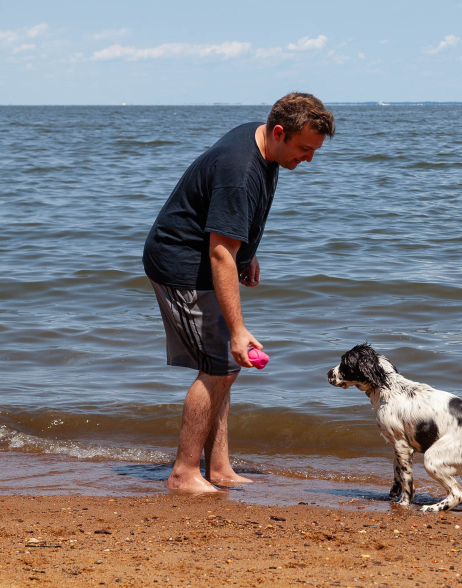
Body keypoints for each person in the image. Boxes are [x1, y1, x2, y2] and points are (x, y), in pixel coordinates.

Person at [142, 93, 335, 492]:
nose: (309, 159)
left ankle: (220, 468)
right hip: (181, 265)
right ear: (279, 132)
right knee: (219, 365)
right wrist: (238, 329)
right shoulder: (240, 169)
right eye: (304, 149)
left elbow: (228, 231)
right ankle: (183, 473)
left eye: (314, 150)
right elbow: (218, 252)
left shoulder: (264, 142)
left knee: (224, 370)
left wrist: (247, 253)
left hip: (208, 256)